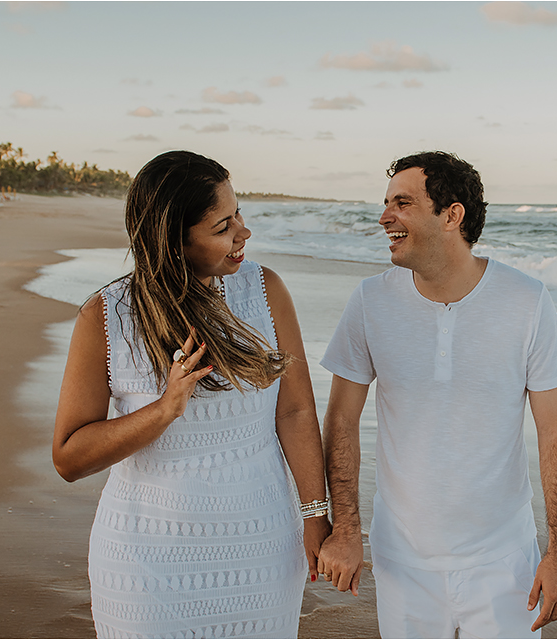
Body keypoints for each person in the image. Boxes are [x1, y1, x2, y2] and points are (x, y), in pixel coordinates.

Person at [52, 150, 330, 639]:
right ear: (173, 242)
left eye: (238, 214)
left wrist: (316, 516)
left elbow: (295, 409)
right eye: (223, 226)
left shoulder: (265, 291)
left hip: (259, 548)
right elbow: (69, 457)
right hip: (145, 562)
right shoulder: (106, 317)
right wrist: (164, 410)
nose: (243, 232)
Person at [317, 151, 557, 638]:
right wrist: (346, 528)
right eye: (386, 203)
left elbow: (556, 430)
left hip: (505, 561)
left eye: (403, 203)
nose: (384, 217)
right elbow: (340, 421)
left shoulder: (526, 300)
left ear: (451, 215)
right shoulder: (371, 301)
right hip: (402, 560)